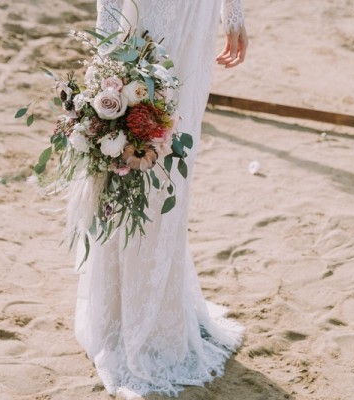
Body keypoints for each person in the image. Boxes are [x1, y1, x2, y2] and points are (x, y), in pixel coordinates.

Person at [74, 0, 249, 397]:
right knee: (134, 153)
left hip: (195, 15)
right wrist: (108, 43)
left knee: (170, 159)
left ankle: (161, 309)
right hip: (148, 12)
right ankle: (124, 315)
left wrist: (233, 11)